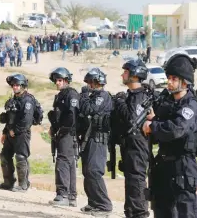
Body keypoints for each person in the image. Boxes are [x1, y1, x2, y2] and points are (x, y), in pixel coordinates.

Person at [142, 54, 197, 218]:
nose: (169, 82)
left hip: (182, 165)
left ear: (184, 81)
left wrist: (153, 126)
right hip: (164, 164)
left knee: (185, 212)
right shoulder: (169, 103)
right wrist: (154, 121)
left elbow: (176, 129)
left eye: (174, 78)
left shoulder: (190, 106)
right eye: (168, 77)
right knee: (163, 210)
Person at [113, 59, 150, 218]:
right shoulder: (132, 96)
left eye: (126, 72)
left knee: (137, 182)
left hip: (137, 146)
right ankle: (131, 213)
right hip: (129, 146)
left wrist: (120, 102)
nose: (122, 74)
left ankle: (140, 214)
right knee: (130, 182)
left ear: (134, 75)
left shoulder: (140, 97)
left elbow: (131, 119)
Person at [78, 68, 113, 215]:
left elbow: (88, 109)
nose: (88, 85)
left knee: (94, 171)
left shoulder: (102, 96)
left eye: (90, 83)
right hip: (89, 137)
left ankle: (104, 205)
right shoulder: (94, 95)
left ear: (96, 82)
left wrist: (84, 96)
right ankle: (93, 202)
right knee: (87, 171)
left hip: (98, 138)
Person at [0, 74, 37, 192]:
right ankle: (8, 182)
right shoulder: (12, 100)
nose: (15, 87)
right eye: (13, 85)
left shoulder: (28, 100)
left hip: (21, 134)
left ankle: (23, 184)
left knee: (20, 157)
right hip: (10, 133)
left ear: (23, 86)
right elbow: (10, 118)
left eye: (17, 85)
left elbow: (26, 120)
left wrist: (15, 130)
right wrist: (6, 132)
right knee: (4, 156)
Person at [47, 67, 79, 206]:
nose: (57, 83)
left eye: (60, 80)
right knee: (68, 162)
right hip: (62, 133)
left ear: (66, 80)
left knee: (63, 162)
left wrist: (61, 131)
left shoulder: (71, 95)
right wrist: (53, 128)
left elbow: (71, 117)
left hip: (67, 134)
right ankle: (71, 197)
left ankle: (63, 195)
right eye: (56, 81)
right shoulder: (61, 95)